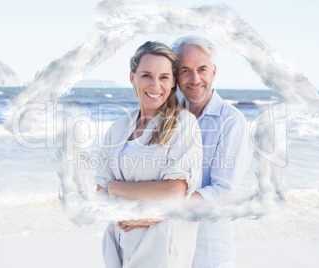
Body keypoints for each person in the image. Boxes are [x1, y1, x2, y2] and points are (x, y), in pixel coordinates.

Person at [108, 36, 253, 267]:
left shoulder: (231, 121)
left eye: (202, 69)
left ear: (213, 72)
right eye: (186, 70)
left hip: (208, 248)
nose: (195, 79)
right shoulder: (164, 118)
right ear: (175, 76)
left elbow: (223, 191)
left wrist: (154, 210)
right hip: (164, 246)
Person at [95, 41, 203, 268]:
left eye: (164, 77)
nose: (155, 85)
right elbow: (100, 192)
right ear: (132, 77)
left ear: (173, 82)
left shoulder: (184, 124)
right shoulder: (117, 127)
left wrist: (118, 188)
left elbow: (174, 191)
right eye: (146, 75)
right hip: (119, 247)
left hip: (162, 250)